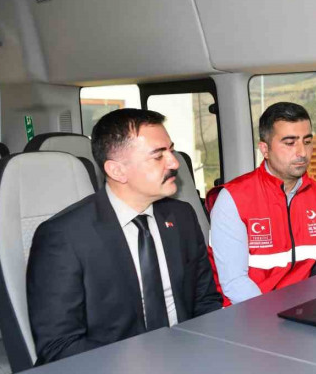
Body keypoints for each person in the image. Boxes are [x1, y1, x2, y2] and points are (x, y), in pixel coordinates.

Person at [26, 109, 222, 364]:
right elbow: (59, 346)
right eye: (158, 155)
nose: (174, 163)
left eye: (171, 151)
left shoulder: (182, 216)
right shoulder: (63, 236)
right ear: (117, 171)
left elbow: (205, 301)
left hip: (188, 356)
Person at [208, 102, 316, 305]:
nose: (302, 152)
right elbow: (235, 283)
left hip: (298, 308)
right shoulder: (233, 199)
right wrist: (275, 322)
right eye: (290, 143)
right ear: (265, 149)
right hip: (246, 313)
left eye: (307, 141)